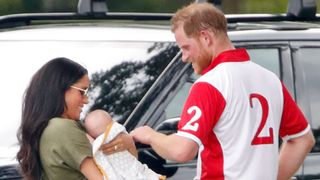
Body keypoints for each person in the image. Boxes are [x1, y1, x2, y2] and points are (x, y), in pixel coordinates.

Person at [130, 2, 315, 180]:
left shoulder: (210, 84)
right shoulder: (270, 80)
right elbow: (303, 139)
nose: (184, 57)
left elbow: (182, 150)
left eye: (186, 47)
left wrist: (150, 135)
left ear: (205, 37)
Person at [17, 57, 136, 180]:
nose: (86, 100)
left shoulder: (48, 129)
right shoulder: (62, 128)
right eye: (82, 92)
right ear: (59, 89)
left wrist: (129, 143)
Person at [84, 109, 166, 180]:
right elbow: (134, 157)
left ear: (91, 135)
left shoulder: (96, 149)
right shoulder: (120, 132)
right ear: (112, 122)